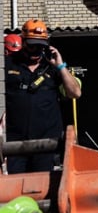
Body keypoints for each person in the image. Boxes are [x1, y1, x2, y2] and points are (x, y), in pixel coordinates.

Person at [3, 19, 82, 173]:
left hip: (47, 142)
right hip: (15, 142)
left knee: (43, 186)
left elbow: (75, 93)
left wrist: (60, 66)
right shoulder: (9, 64)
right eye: (32, 45)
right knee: (17, 185)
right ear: (23, 42)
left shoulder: (52, 68)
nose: (36, 50)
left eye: (40, 46)